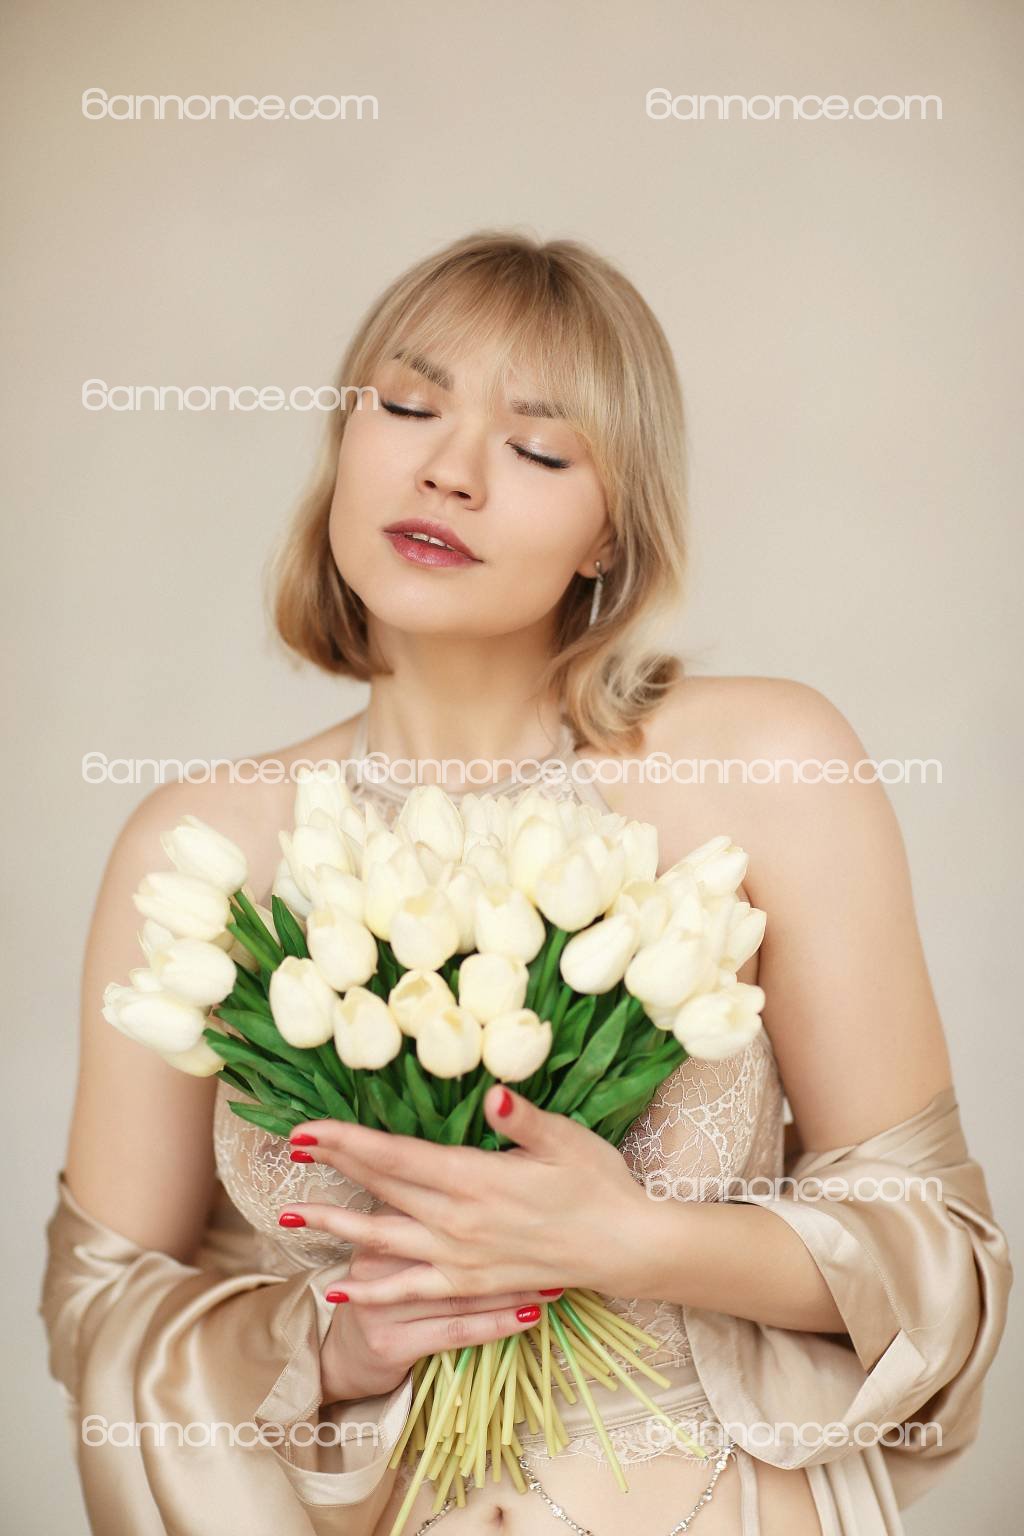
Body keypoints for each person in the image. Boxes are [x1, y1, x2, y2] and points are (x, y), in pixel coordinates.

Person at [41, 231, 1012, 1536]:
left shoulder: (767, 765)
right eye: (408, 406)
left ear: (612, 531)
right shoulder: (199, 848)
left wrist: (634, 1241)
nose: (451, 470)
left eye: (539, 450)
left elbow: (941, 1256)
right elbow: (101, 1309)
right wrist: (329, 1345)